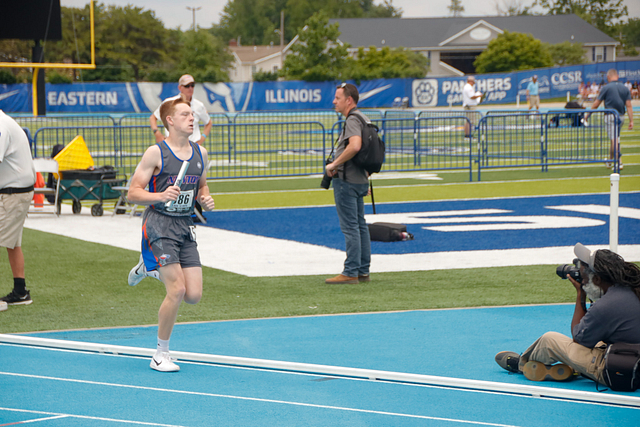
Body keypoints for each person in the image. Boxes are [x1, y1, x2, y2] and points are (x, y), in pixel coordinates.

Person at [127, 98, 216, 372]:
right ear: (170, 120)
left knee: (193, 295)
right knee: (176, 290)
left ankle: (149, 268)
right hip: (159, 224)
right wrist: (160, 195)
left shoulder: (201, 153)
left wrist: (205, 197)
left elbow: (202, 185)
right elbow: (133, 193)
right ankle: (160, 354)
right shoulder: (156, 153)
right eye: (185, 114)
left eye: (192, 114)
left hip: (184, 226)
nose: (192, 118)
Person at [495, 243, 640, 386]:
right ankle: (573, 368)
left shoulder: (605, 306)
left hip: (621, 372)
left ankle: (521, 364)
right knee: (599, 340)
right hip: (632, 357)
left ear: (597, 279)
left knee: (549, 340)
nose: (583, 281)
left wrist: (580, 294)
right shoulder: (633, 287)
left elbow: (579, 339)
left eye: (583, 277)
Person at [324, 83, 371, 285]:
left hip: (347, 180)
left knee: (351, 227)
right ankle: (362, 270)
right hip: (360, 179)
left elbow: (355, 146)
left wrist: (334, 164)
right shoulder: (364, 118)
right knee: (360, 226)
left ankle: (351, 271)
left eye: (338, 98)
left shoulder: (352, 119)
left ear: (348, 100)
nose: (334, 101)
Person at [0, 110, 36, 310]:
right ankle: (20, 292)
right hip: (15, 190)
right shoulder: (4, 122)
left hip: (12, 192)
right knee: (13, 244)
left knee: (10, 242)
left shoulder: (1, 126)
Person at [585, 69, 633, 170]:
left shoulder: (606, 88)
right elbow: (628, 105)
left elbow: (596, 103)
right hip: (621, 116)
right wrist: (631, 120)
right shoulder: (625, 88)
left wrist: (588, 115)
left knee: (614, 139)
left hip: (610, 116)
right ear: (617, 76)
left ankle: (619, 161)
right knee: (614, 138)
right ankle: (610, 160)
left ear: (608, 77)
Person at [150, 74, 212, 146]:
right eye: (187, 86)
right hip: (172, 145)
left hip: (192, 145)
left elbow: (208, 122)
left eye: (192, 85)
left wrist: (202, 138)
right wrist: (157, 133)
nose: (190, 88)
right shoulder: (170, 102)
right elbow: (153, 118)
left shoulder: (199, 105)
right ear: (180, 87)